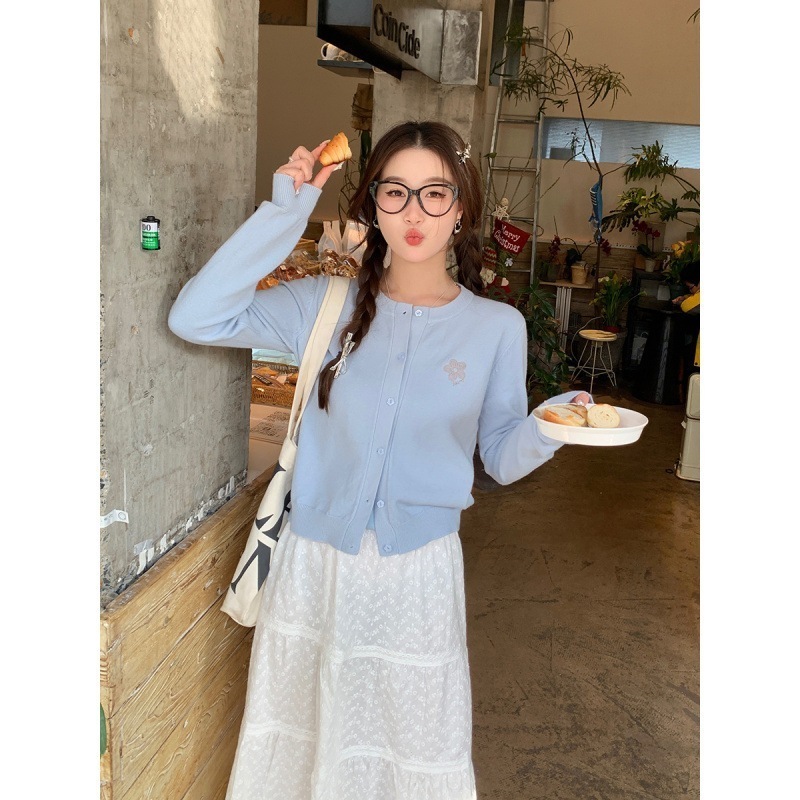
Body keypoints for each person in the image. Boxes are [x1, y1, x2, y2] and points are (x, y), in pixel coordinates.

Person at [168, 121, 591, 800]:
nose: (414, 213)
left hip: (417, 579)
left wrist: (551, 426)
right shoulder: (323, 304)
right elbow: (197, 317)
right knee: (304, 745)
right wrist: (287, 211)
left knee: (407, 752)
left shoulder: (495, 329)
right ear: (373, 204)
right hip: (314, 568)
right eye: (396, 192)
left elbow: (501, 457)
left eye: (434, 193)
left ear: (461, 207)